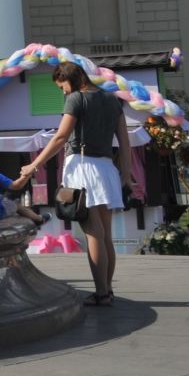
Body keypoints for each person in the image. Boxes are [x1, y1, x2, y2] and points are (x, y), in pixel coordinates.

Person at [17, 64, 135, 307]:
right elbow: (124, 143)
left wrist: (34, 166)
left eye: (62, 87)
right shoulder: (113, 101)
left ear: (69, 80)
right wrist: (125, 175)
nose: (63, 92)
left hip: (83, 169)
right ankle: (108, 290)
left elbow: (61, 137)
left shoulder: (76, 99)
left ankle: (101, 293)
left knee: (93, 234)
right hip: (106, 169)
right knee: (106, 236)